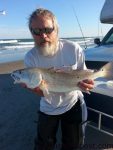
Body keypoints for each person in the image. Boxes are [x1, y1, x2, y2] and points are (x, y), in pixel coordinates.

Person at [24, 8, 94, 150]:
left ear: (56, 29)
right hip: (48, 107)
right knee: (43, 145)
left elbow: (84, 75)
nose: (43, 35)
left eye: (48, 29)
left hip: (73, 103)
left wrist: (88, 83)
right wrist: (35, 88)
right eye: (36, 31)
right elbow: (42, 92)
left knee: (73, 145)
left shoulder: (73, 49)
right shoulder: (31, 58)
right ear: (31, 33)